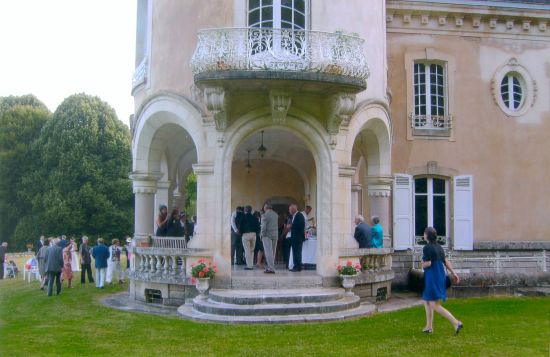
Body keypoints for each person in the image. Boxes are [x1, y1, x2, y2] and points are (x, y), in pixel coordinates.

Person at [421, 227, 463, 335]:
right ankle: (429, 327)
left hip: (432, 277)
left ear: (427, 236)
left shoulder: (427, 248)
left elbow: (428, 263)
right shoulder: (439, 247)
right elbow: (446, 261)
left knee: (434, 304)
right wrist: (454, 273)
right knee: (426, 301)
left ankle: (456, 323)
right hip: (439, 275)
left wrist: (421, 264)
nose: (423, 235)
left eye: (424, 234)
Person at [239, 205, 259, 270]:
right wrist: (256, 233)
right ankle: (251, 265)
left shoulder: (243, 217)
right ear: (251, 210)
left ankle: (249, 266)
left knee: (247, 251)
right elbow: (258, 227)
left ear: (245, 210)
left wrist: (240, 233)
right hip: (254, 234)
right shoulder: (255, 218)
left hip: (246, 235)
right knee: (252, 250)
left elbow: (240, 227)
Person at [261, 203, 279, 274]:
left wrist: (262, 235)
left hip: (267, 235)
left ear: (266, 208)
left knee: (268, 252)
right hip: (275, 234)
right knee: (273, 252)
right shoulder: (276, 214)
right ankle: (271, 267)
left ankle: (271, 268)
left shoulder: (264, 215)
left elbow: (263, 227)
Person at [289, 204, 305, 272]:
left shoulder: (299, 215)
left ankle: (297, 266)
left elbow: (301, 225)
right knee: (296, 252)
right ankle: (298, 266)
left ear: (293, 209)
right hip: (295, 237)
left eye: (289, 209)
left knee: (297, 252)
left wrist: (291, 226)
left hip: (298, 237)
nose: (289, 211)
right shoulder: (295, 215)